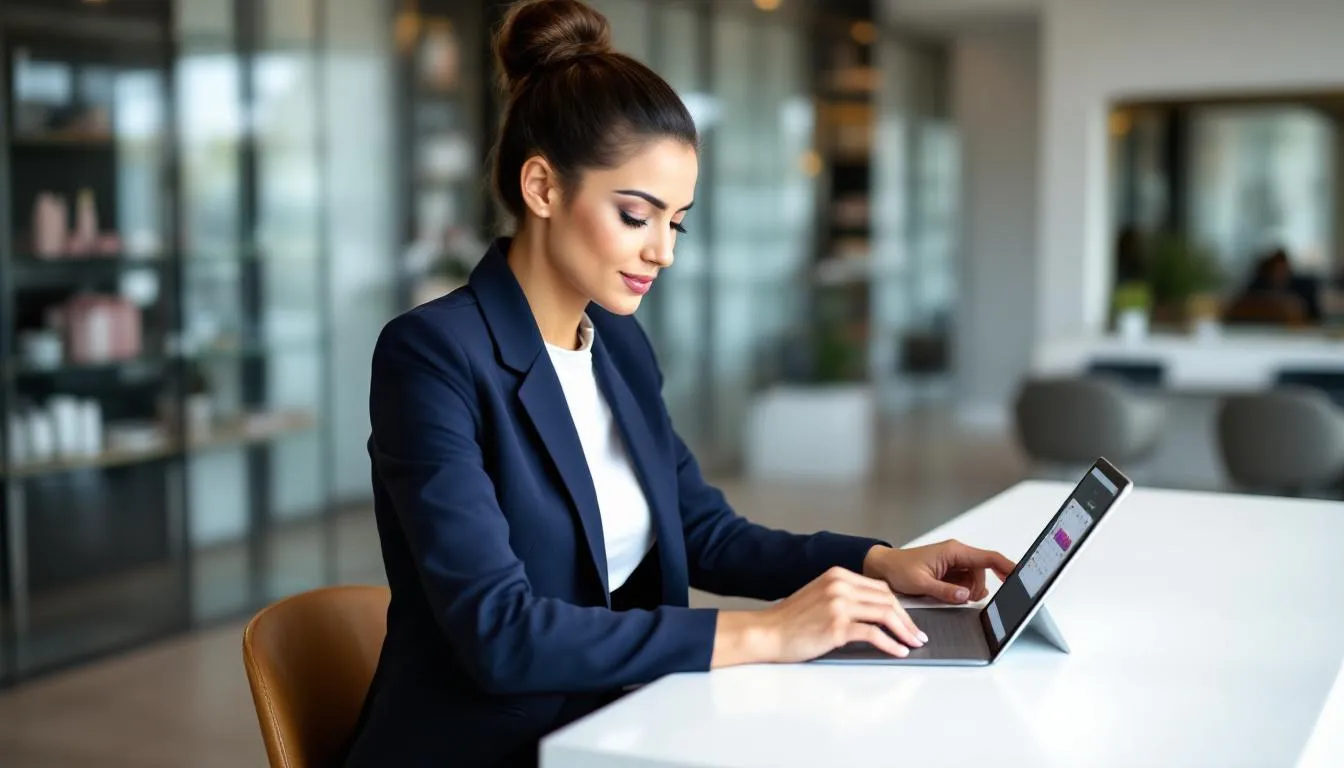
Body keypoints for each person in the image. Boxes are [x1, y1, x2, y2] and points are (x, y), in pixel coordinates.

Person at [345, 2, 1014, 766]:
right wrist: (766, 632)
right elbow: (502, 633)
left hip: (627, 720)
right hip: (493, 745)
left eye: (677, 223)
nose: (663, 252)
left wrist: (880, 562)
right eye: (637, 215)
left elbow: (703, 532)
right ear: (541, 187)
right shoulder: (432, 356)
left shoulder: (618, 345)